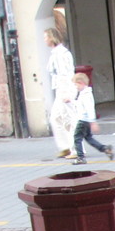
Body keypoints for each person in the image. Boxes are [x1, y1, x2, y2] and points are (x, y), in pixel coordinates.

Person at [44, 28, 77, 158]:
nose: (45, 40)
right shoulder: (55, 53)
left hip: (64, 88)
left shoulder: (61, 54)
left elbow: (65, 74)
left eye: (46, 37)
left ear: (52, 38)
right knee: (55, 118)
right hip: (60, 89)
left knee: (68, 120)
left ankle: (76, 149)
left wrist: (67, 93)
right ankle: (65, 147)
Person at [69, 73, 113, 165]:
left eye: (75, 85)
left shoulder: (86, 95)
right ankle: (104, 148)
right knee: (88, 137)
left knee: (77, 138)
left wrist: (93, 122)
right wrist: (71, 101)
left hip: (83, 120)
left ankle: (80, 157)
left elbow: (89, 109)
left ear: (81, 83)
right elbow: (80, 105)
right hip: (86, 120)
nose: (75, 87)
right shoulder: (84, 93)